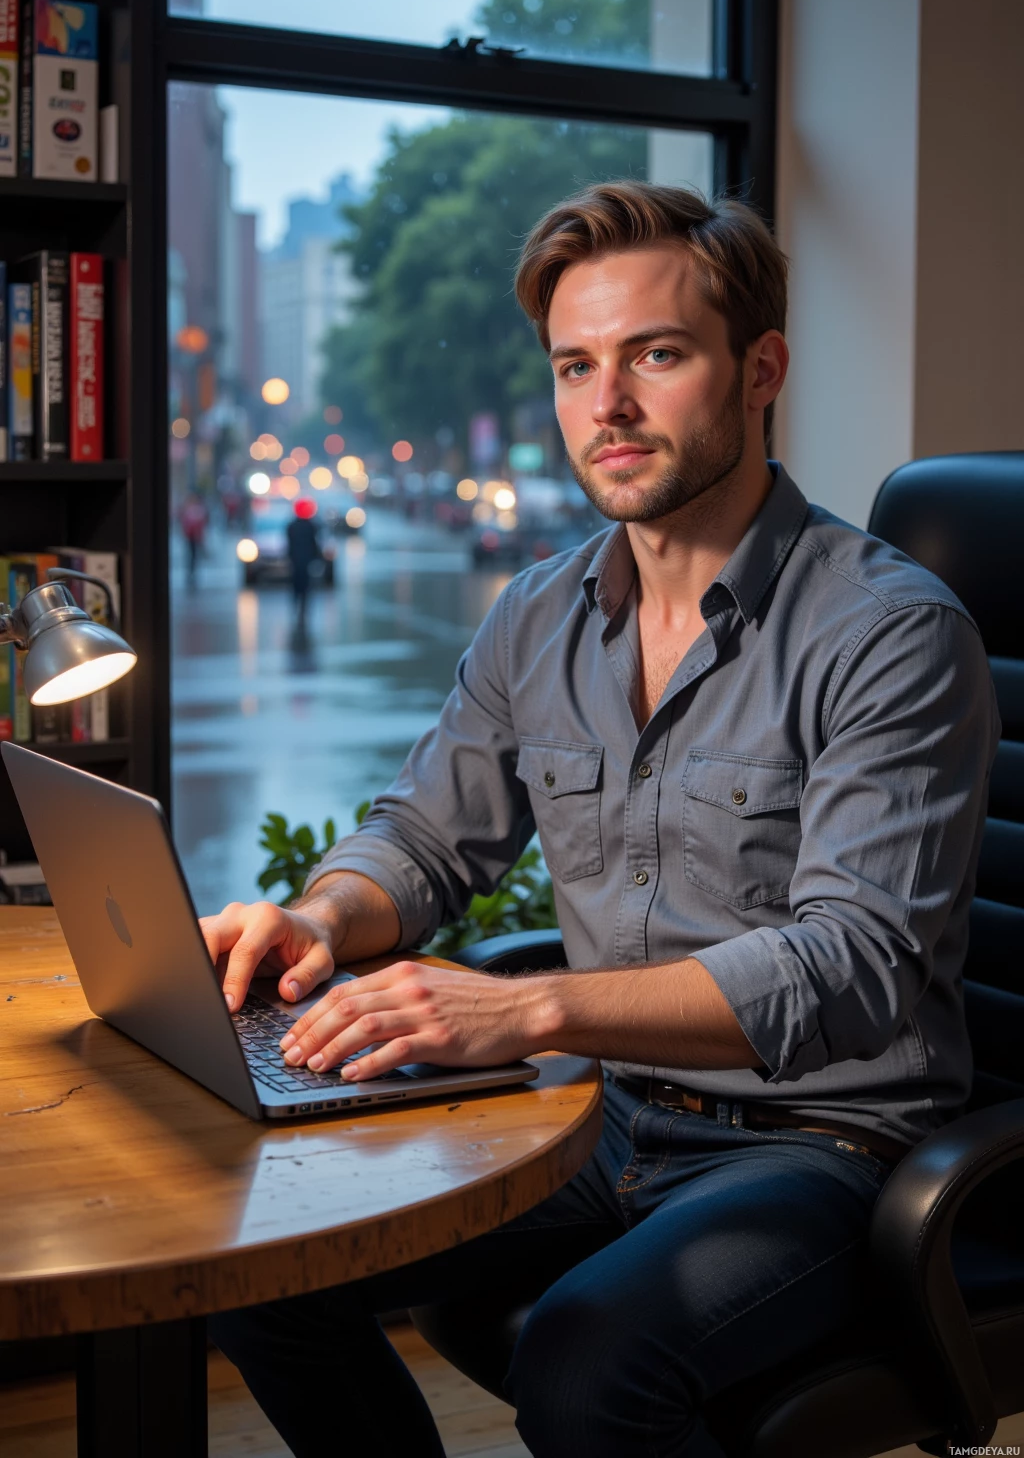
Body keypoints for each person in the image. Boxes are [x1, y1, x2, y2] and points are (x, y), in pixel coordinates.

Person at [202, 182, 999, 1458]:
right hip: (604, 1111)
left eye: (656, 356)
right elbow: (421, 838)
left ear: (760, 369)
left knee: (585, 1370)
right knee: (253, 1261)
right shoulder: (539, 614)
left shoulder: (889, 633)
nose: (606, 406)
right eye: (576, 366)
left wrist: (523, 1009)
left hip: (826, 1143)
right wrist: (314, 915)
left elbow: (846, 969)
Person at [285, 498, 322, 628]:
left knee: (298, 585)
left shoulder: (293, 526)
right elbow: (315, 544)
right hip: (303, 561)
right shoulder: (310, 526)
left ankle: (298, 607)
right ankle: (301, 608)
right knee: (303, 586)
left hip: (297, 561)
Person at [178, 491, 208, 586]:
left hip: (196, 537)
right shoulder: (190, 509)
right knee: (190, 556)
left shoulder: (198, 509)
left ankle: (193, 574)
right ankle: (190, 574)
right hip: (190, 537)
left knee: (194, 557)